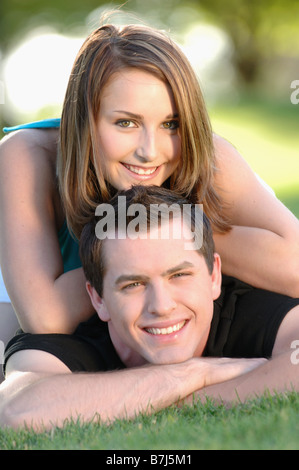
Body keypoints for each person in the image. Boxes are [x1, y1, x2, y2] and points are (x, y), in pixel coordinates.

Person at [1, 20, 299, 378]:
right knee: (13, 356)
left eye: (170, 124)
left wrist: (173, 234)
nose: (149, 151)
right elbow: (44, 316)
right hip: (56, 294)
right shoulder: (26, 155)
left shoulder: (207, 158)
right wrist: (149, 247)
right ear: (84, 120)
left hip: (174, 298)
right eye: (126, 123)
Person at [1, 185, 299, 431]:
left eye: (179, 275)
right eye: (133, 285)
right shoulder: (73, 335)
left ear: (213, 276)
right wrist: (193, 374)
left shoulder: (247, 309)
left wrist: (144, 400)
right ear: (98, 299)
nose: (162, 306)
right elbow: (15, 411)